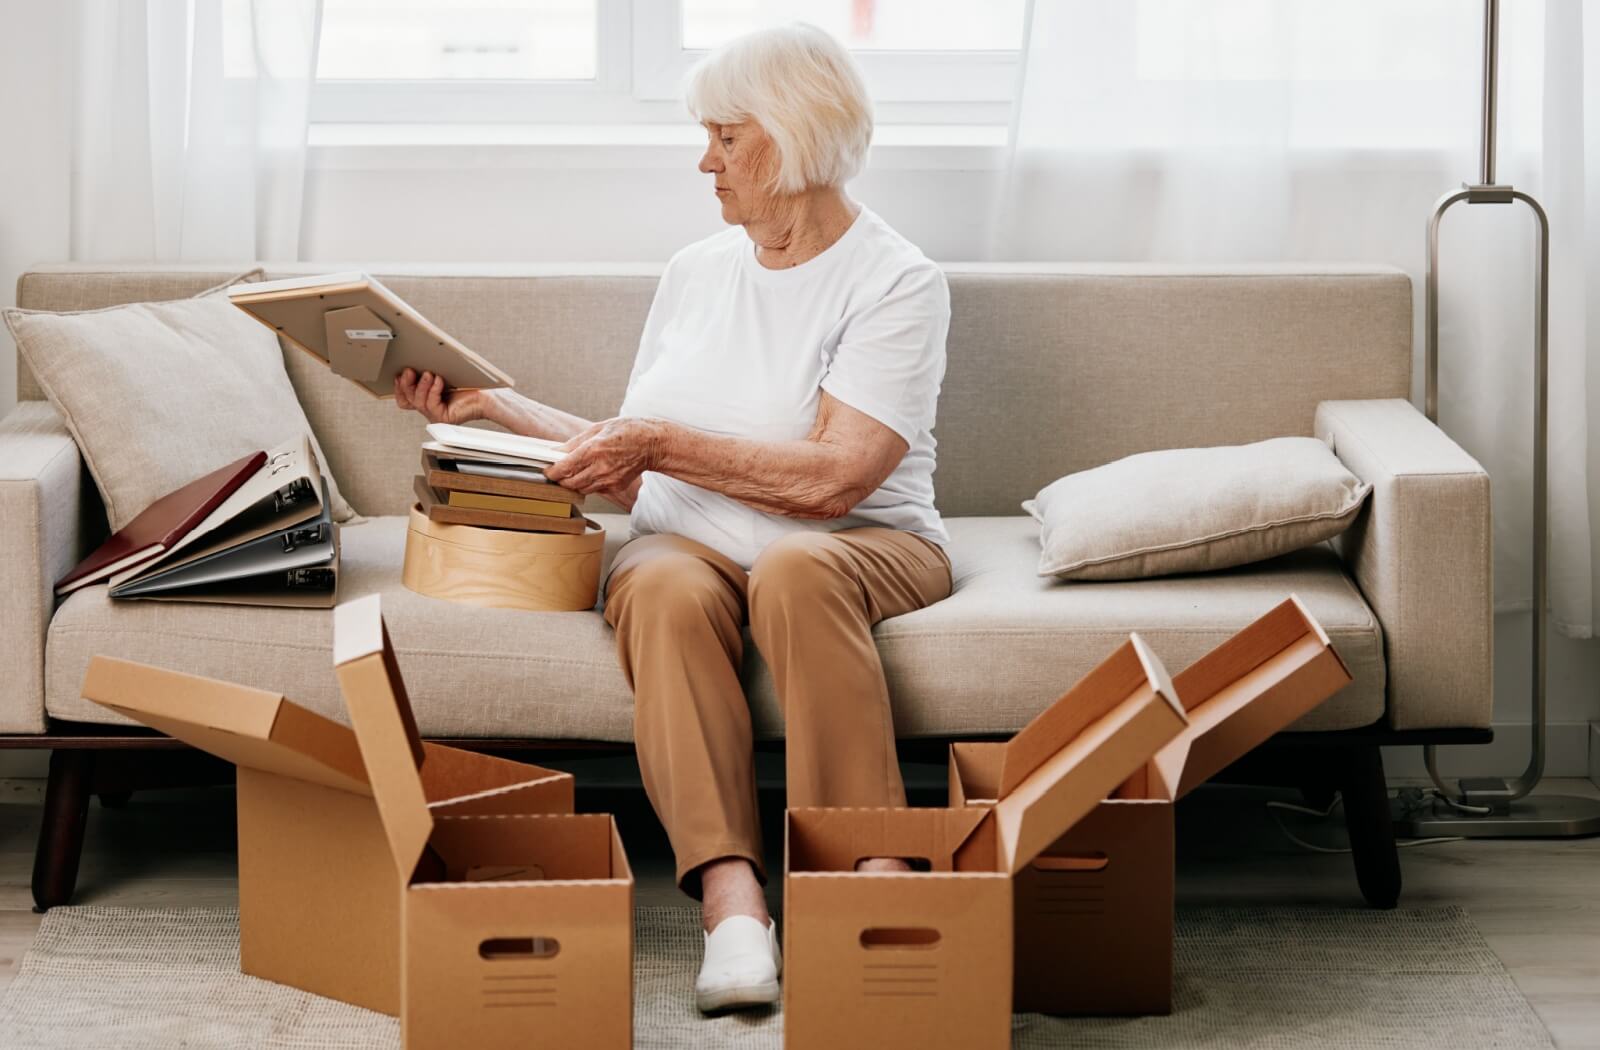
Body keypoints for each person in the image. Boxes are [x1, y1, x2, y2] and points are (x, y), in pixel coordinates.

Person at [394, 22, 952, 1014]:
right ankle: (733, 907)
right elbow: (634, 460)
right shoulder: (696, 271)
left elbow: (836, 481)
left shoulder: (894, 280)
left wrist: (655, 443)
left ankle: (870, 872)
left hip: (860, 545)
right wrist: (495, 406)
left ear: (795, 136)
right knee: (655, 582)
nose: (707, 162)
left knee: (796, 568)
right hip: (690, 542)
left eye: (727, 137)